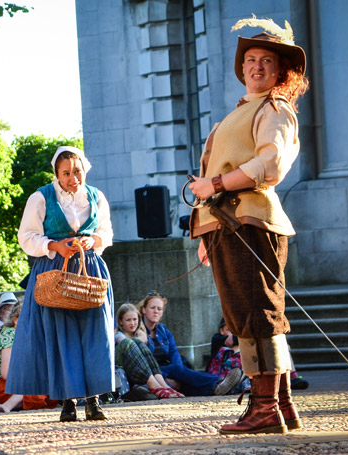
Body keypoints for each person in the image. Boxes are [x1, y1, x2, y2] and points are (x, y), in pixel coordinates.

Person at [188, 18, 309, 435]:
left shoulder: (274, 109)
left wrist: (217, 183)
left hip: (251, 223)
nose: (257, 66)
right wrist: (207, 233)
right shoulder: (234, 116)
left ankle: (264, 410)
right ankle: (281, 407)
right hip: (226, 226)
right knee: (249, 317)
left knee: (258, 317)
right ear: (242, 68)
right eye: (251, 59)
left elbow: (270, 164)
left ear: (280, 71)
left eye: (267, 61)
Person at [6, 146, 115, 422]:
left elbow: (106, 231)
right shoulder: (41, 197)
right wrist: (54, 245)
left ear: (84, 170)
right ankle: (68, 402)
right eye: (66, 173)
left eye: (77, 171)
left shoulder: (96, 196)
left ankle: (94, 400)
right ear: (57, 173)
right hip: (55, 270)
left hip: (89, 268)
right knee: (61, 334)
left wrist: (94, 240)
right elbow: (26, 237)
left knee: (94, 333)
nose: (72, 178)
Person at [139, 293, 242, 397]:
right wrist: (164, 378)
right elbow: (143, 362)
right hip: (154, 372)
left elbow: (174, 352)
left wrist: (178, 372)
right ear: (144, 310)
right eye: (152, 308)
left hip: (170, 368)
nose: (156, 311)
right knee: (178, 371)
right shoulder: (139, 331)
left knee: (184, 384)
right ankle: (218, 382)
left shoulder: (163, 330)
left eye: (159, 309)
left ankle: (215, 390)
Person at [0, 303, 58, 413]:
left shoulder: (21, 336)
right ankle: (6, 406)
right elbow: (6, 373)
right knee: (39, 389)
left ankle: (4, 406)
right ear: (16, 320)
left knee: (44, 392)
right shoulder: (10, 334)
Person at [114, 303, 183, 399]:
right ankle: (154, 385)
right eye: (128, 320)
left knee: (137, 343)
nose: (132, 323)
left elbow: (147, 357)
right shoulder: (118, 334)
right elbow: (126, 344)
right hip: (123, 365)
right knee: (130, 342)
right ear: (120, 322)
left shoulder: (139, 334)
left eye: (135, 319)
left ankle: (163, 385)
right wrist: (142, 338)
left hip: (140, 371)